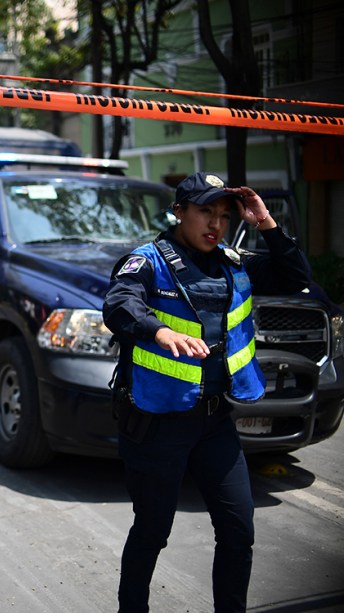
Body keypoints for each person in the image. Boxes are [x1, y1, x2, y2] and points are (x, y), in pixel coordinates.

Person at [102, 172, 312, 612]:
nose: (214, 224)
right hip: (157, 421)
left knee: (238, 529)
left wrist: (266, 222)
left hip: (214, 420)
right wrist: (157, 332)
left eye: (222, 215)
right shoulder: (147, 261)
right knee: (153, 530)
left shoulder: (233, 261)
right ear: (179, 212)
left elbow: (294, 277)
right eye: (204, 212)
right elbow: (119, 305)